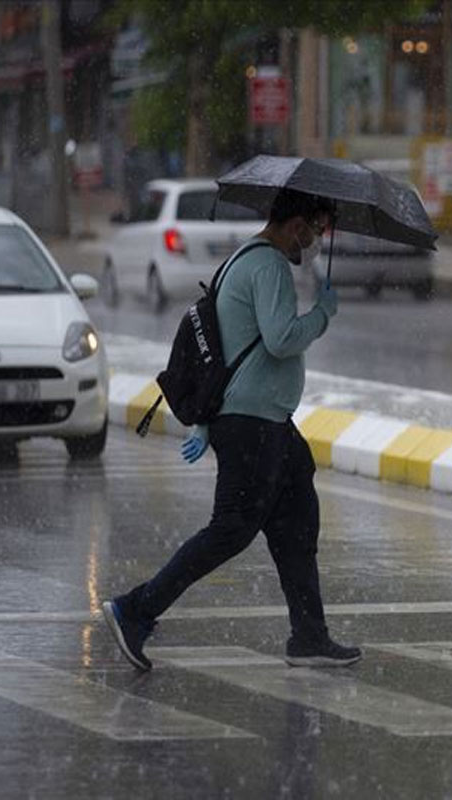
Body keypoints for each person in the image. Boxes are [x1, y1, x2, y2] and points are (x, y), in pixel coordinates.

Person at [102, 189, 359, 672]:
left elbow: (231, 343)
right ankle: (135, 610)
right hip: (251, 427)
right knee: (230, 531)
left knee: (297, 523)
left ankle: (309, 635)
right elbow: (282, 340)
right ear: (296, 223)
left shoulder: (244, 259)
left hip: (271, 425)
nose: (319, 239)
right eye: (318, 227)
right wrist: (323, 313)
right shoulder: (269, 266)